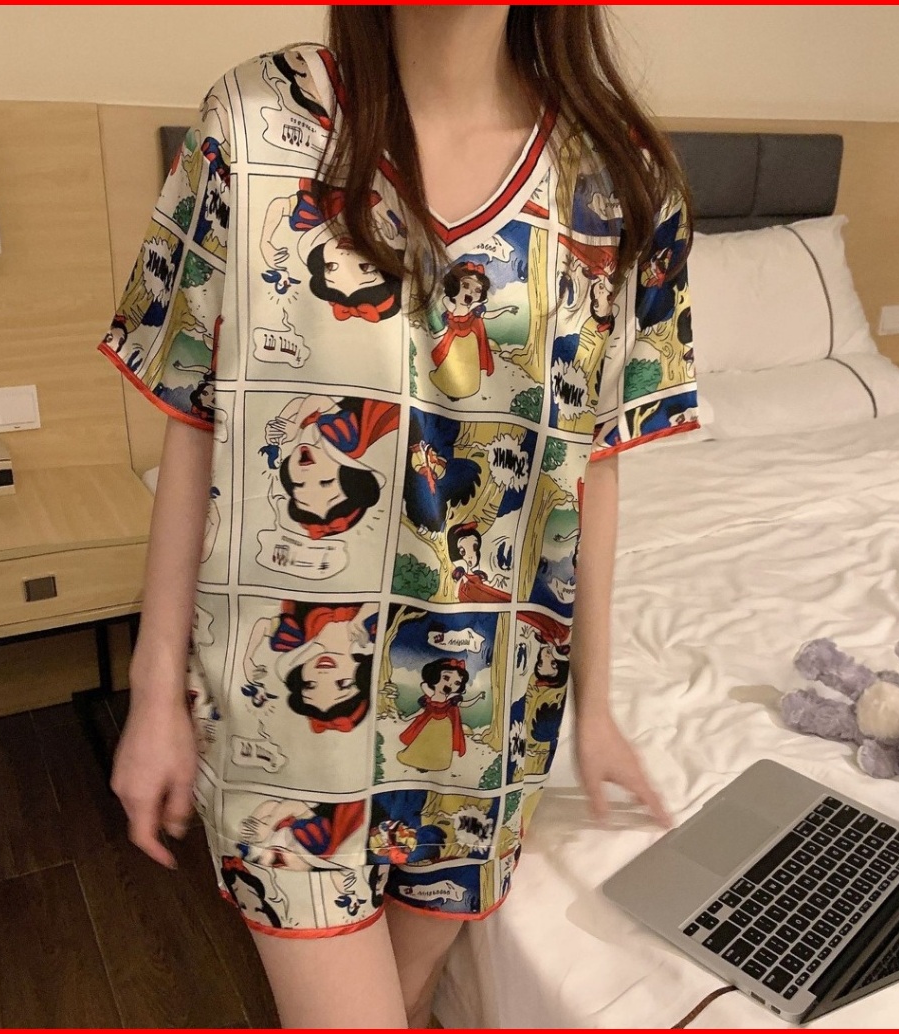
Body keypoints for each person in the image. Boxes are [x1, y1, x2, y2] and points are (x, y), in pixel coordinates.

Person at [100, 5, 698, 1029]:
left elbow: (588, 465)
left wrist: (593, 707)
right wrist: (154, 687)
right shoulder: (256, 123)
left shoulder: (621, 179)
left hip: (487, 716)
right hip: (285, 714)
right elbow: (196, 416)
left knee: (411, 999)